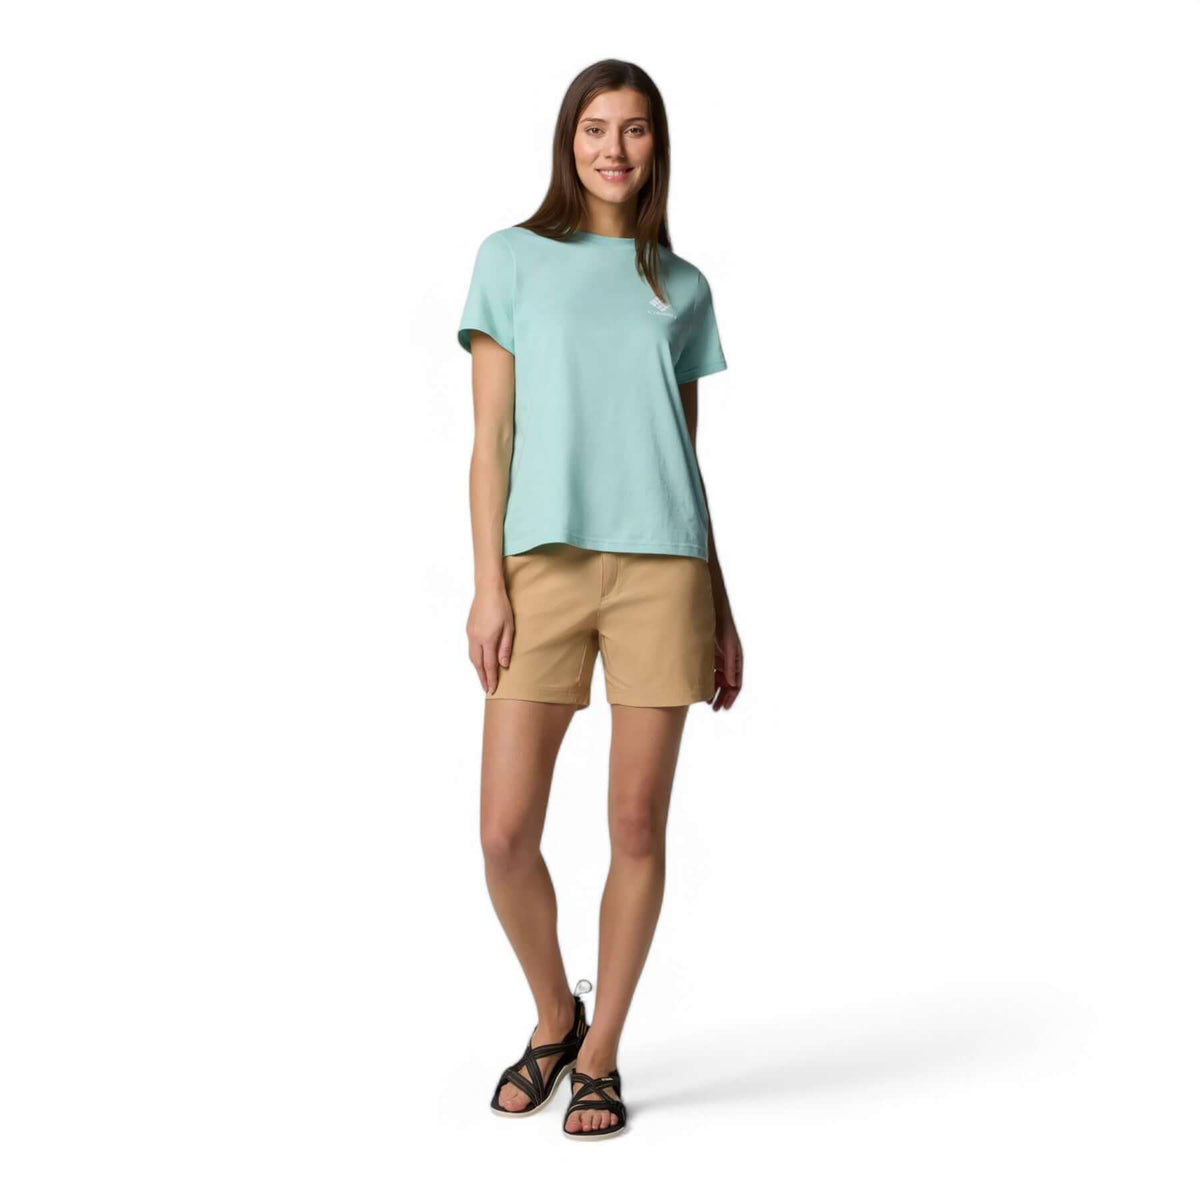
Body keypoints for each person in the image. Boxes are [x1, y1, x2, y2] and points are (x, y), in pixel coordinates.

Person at [456, 59, 744, 1140]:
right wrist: (488, 584)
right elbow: (490, 441)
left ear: (657, 145)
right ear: (567, 140)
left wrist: (721, 606)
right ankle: (554, 1015)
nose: (613, 149)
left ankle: (602, 1053)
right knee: (503, 833)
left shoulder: (683, 285)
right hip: (543, 566)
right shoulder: (511, 259)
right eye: (594, 128)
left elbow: (685, 459)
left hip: (665, 573)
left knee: (634, 822)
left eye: (633, 130)